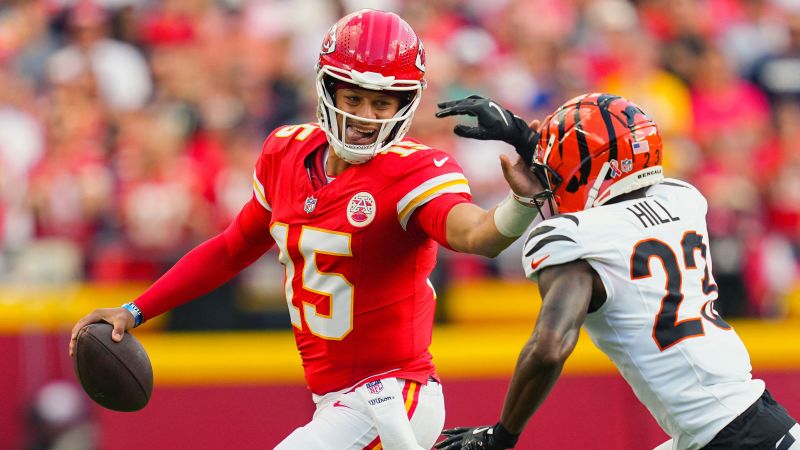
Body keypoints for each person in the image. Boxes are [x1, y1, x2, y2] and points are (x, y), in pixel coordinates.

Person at [69, 9, 542, 450]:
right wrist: (136, 309)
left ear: (404, 103)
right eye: (353, 97)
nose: (364, 117)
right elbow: (232, 247)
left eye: (381, 103)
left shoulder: (414, 171)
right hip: (335, 398)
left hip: (392, 394)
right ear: (327, 90)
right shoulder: (286, 153)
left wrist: (521, 201)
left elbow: (477, 235)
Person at [434, 93, 800, 450]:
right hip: (747, 415)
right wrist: (526, 138)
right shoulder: (681, 198)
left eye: (555, 169)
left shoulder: (575, 240)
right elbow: (609, 180)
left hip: (725, 435)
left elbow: (550, 348)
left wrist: (501, 436)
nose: (552, 179)